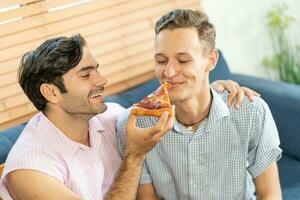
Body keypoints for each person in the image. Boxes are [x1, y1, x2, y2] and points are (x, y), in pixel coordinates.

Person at [0, 34, 257, 200]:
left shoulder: (110, 117)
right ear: (51, 92)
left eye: (97, 70)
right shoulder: (29, 170)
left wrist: (210, 90)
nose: (102, 81)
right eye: (86, 74)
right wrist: (135, 155)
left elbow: (170, 109)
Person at [117, 9, 282, 200]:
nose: (169, 72)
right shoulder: (136, 127)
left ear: (211, 61)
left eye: (183, 60)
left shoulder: (252, 112)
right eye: (161, 60)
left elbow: (269, 194)